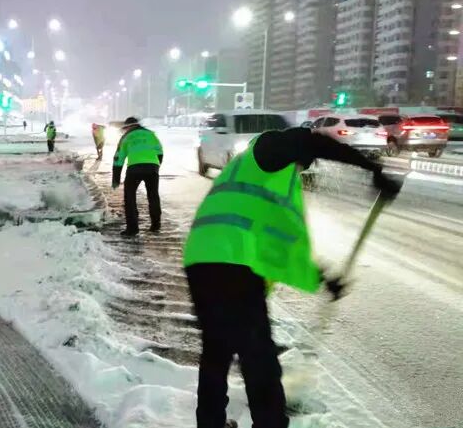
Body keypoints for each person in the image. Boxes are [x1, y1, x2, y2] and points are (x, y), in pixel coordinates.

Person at [182, 126, 403, 428]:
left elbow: (280, 250)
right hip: (231, 265)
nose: (304, 164)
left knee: (217, 353)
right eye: (304, 160)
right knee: (260, 363)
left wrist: (324, 279)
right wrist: (372, 169)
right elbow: (309, 140)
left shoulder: (255, 178)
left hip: (202, 260)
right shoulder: (264, 153)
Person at [112, 117, 163, 236]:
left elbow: (118, 159)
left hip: (134, 168)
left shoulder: (126, 137)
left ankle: (132, 228)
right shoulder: (151, 134)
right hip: (152, 166)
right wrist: (156, 166)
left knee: (129, 197)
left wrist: (116, 179)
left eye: (125, 128)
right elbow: (160, 152)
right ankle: (156, 225)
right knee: (153, 195)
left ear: (128, 127)